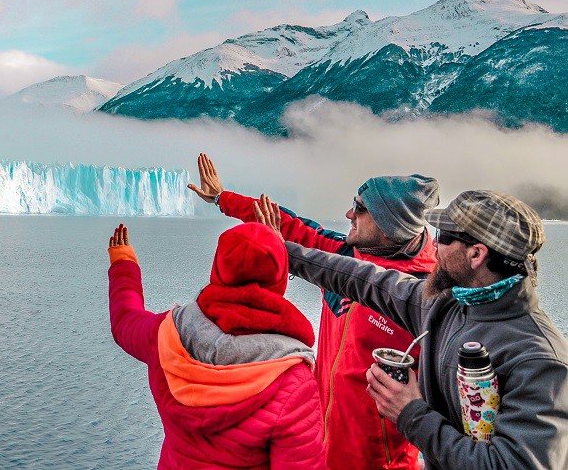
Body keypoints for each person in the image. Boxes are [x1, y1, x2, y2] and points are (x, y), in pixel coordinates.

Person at [253, 191, 568, 469]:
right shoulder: (444, 306)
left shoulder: (539, 359)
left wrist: (409, 412)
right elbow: (360, 278)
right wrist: (284, 251)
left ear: (476, 254)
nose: (433, 243)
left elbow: (513, 464)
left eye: (443, 236)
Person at [187, 153, 439, 470]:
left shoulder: (426, 296)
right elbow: (291, 226)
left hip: (379, 461)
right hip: (320, 446)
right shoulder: (346, 256)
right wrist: (223, 199)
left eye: (360, 209)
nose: (349, 214)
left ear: (390, 226)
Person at [108, 220, 325, 468]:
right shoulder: (293, 383)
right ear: (280, 280)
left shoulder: (167, 333)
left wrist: (123, 264)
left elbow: (124, 321)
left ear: (217, 270)